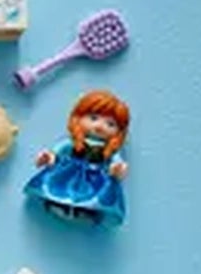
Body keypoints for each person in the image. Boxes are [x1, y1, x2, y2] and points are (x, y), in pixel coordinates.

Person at [24, 90, 131, 226]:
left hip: (95, 177)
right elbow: (57, 151)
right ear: (78, 117)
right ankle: (58, 204)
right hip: (69, 171)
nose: (100, 126)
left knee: (94, 196)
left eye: (110, 124)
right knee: (60, 186)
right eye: (93, 118)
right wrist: (49, 157)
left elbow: (116, 162)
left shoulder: (109, 150)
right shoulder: (72, 142)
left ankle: (85, 211)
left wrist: (117, 168)